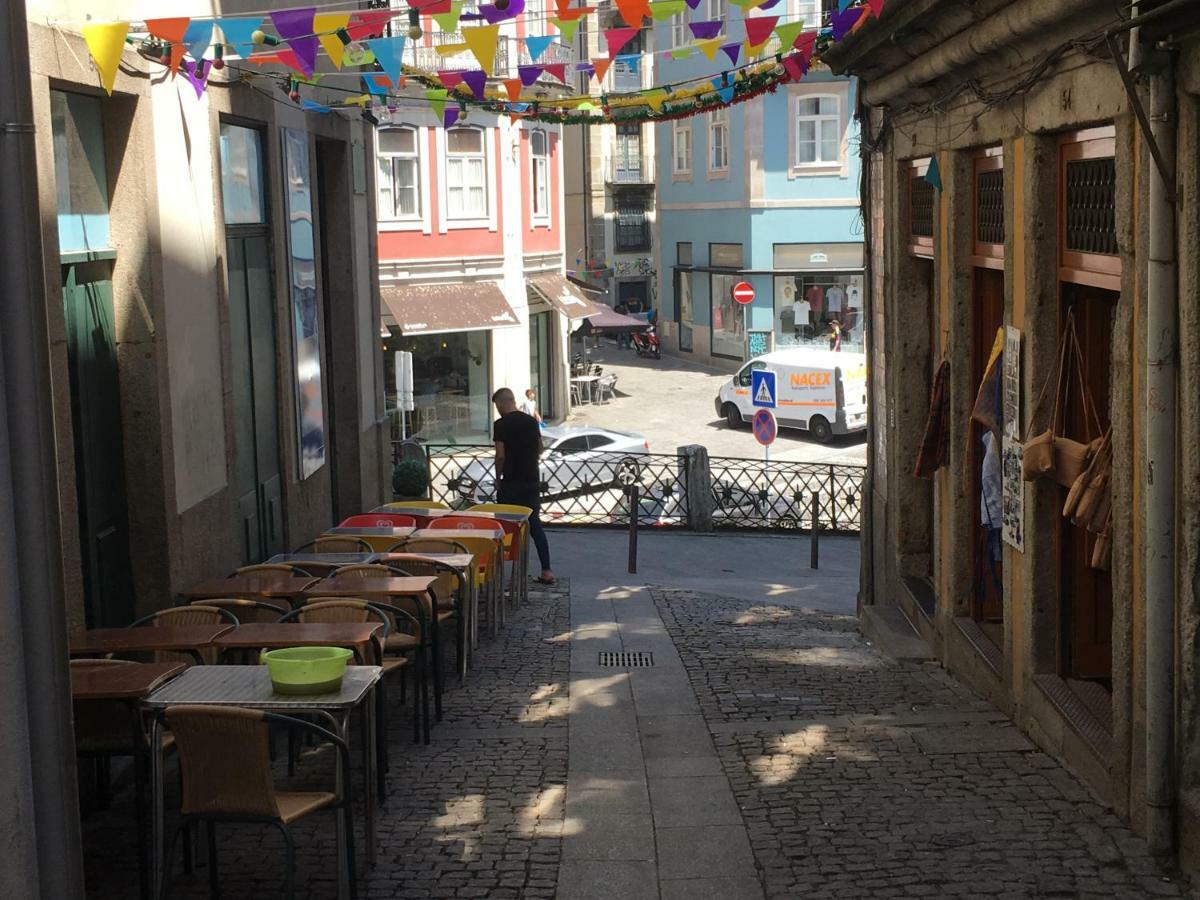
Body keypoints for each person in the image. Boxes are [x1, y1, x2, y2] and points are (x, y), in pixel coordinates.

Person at [492, 388, 554, 584]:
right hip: (531, 480)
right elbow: (540, 447)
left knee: (504, 527)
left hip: (511, 482)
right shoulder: (531, 421)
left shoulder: (500, 424)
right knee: (534, 525)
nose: (498, 410)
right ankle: (546, 570)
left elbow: (500, 455)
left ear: (501, 404)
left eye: (497, 406)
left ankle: (499, 572)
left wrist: (498, 477)